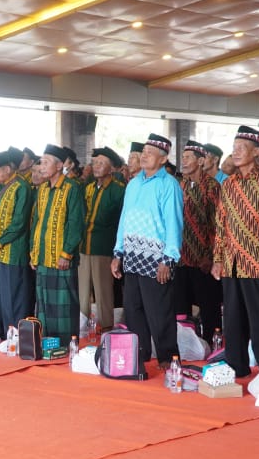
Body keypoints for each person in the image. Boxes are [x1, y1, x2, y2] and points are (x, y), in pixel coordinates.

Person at [212, 126, 259, 377]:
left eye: (241, 148)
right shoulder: (230, 184)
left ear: (258, 152)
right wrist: (218, 259)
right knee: (233, 321)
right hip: (231, 263)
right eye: (233, 148)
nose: (235, 153)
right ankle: (236, 366)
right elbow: (221, 224)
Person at [111, 134, 183, 365]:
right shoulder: (133, 183)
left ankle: (167, 358)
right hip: (132, 256)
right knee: (134, 310)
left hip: (156, 259)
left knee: (159, 311)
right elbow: (124, 219)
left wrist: (169, 259)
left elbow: (174, 222)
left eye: (150, 153)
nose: (144, 156)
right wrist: (118, 252)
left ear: (163, 159)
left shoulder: (169, 184)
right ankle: (139, 355)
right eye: (143, 152)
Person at [30, 144, 85, 340]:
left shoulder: (72, 188)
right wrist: (33, 252)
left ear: (60, 164)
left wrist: (66, 253)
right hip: (43, 255)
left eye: (46, 163)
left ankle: (66, 341)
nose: (41, 167)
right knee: (43, 302)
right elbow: (36, 222)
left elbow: (76, 224)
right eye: (41, 162)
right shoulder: (43, 189)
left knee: (64, 302)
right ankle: (47, 340)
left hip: (61, 257)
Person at [175, 141, 222, 339]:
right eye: (182, 157)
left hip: (203, 258)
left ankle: (211, 341)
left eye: (188, 158)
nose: (183, 161)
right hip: (180, 256)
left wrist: (209, 255)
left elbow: (217, 224)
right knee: (180, 305)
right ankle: (186, 342)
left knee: (208, 304)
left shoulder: (212, 186)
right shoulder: (181, 185)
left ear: (201, 161)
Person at [0, 149, 33, 337]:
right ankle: (0, 331)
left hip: (12, 251)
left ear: (7, 169)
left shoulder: (22, 187)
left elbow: (19, 222)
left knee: (12, 296)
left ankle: (14, 334)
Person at [78, 146, 125, 333]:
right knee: (83, 289)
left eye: (101, 163)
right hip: (84, 245)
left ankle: (107, 326)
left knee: (103, 290)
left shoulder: (118, 190)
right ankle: (82, 324)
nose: (96, 166)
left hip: (104, 246)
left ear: (111, 168)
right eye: (95, 162)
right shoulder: (88, 188)